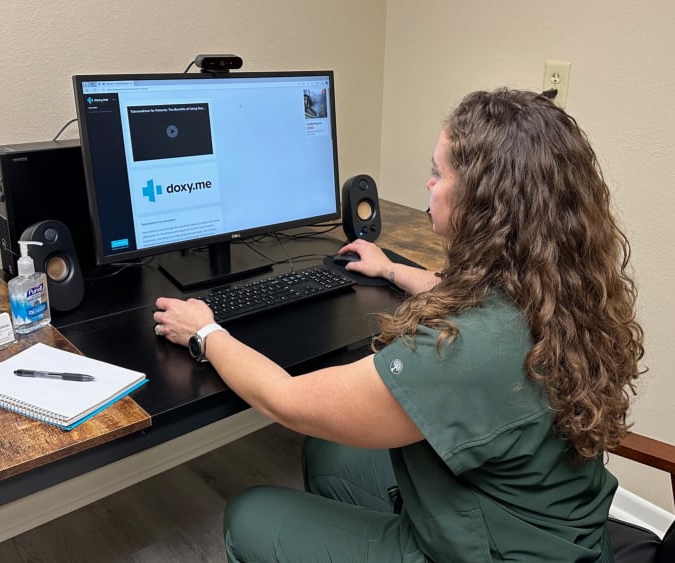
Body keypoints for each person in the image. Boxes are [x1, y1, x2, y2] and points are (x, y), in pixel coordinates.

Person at [153, 88, 645, 562]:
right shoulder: (561, 291)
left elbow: (285, 400)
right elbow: (475, 302)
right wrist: (389, 268)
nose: (428, 183)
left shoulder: (461, 350)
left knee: (250, 514)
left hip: (492, 553)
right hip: (559, 534)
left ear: (484, 203)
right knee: (332, 453)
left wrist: (205, 331)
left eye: (438, 173)